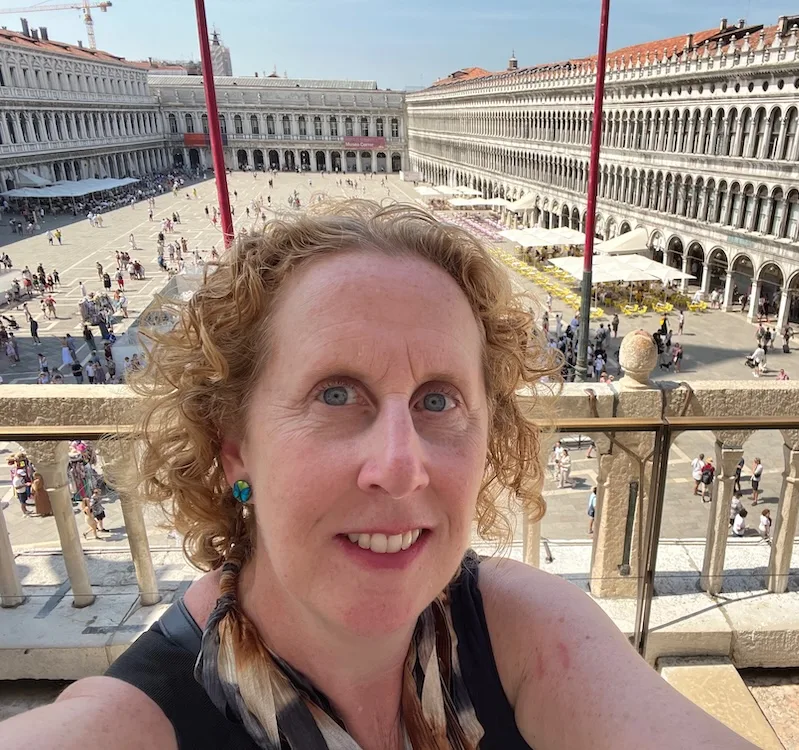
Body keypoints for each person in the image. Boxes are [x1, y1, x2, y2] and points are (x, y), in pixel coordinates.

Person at [0, 200, 739, 749]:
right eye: (335, 394)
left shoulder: (526, 629)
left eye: (438, 400)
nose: (399, 466)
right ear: (233, 447)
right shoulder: (135, 723)